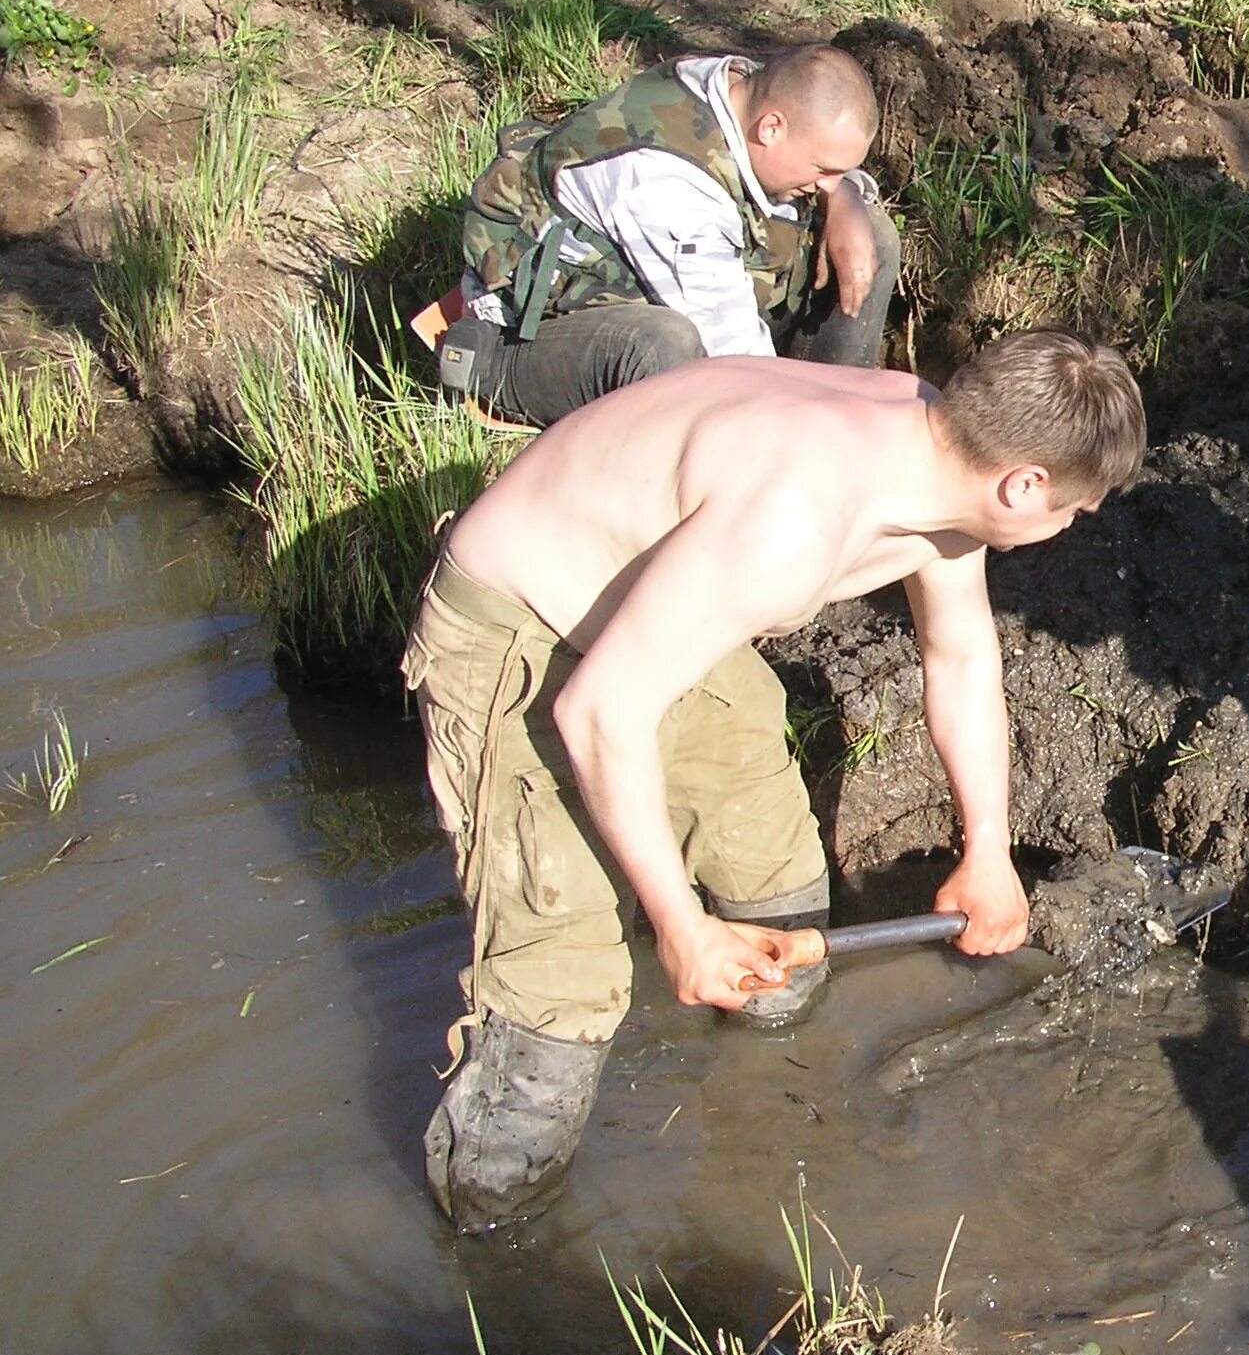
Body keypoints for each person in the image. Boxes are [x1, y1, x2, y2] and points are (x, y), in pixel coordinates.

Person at [400, 330, 1145, 1230]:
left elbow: (959, 657)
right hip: (526, 628)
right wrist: (680, 927)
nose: (1068, 528)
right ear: (1023, 484)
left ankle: (761, 1145)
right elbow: (597, 712)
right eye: (1073, 510)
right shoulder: (797, 518)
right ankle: (491, 1227)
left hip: (676, 610)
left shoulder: (942, 451)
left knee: (778, 901)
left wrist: (987, 849)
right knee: (561, 990)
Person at [431, 43, 903, 428]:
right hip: (543, 323)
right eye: (823, 169)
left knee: (872, 238)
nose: (828, 183)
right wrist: (797, 430)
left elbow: (826, 169)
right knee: (668, 349)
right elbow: (733, 354)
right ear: (771, 129)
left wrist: (846, 201)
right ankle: (489, 366)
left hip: (678, 273)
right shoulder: (666, 184)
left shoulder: (746, 89)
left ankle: (843, 410)